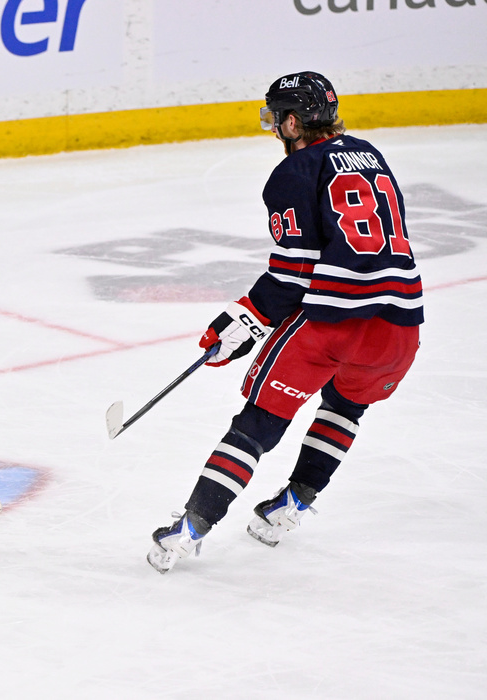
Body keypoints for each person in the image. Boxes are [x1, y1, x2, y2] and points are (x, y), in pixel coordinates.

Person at [147, 71, 423, 574]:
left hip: (334, 323)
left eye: (277, 118)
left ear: (294, 122)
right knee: (346, 407)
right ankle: (288, 507)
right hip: (401, 324)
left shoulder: (294, 172)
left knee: (257, 424)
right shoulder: (371, 155)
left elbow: (291, 275)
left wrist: (237, 324)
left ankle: (189, 530)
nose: (274, 128)